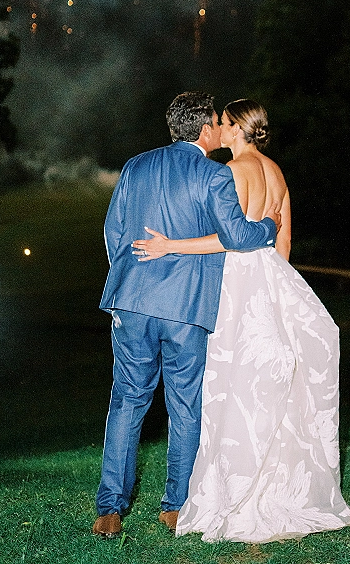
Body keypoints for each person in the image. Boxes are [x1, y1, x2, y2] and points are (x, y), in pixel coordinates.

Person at [132, 99, 350, 543]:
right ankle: (279, 486)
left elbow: (228, 239)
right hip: (272, 279)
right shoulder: (276, 173)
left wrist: (171, 245)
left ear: (236, 128)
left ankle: (233, 493)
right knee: (274, 390)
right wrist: (275, 292)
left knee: (229, 387)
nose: (218, 130)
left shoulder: (232, 172)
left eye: (224, 124)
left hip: (235, 283)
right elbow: (284, 237)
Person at [92, 92, 280, 539]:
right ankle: (175, 506)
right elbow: (236, 235)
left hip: (132, 302)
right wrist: (269, 226)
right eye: (217, 122)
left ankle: (109, 509)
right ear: (204, 128)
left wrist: (127, 278)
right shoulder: (213, 176)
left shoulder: (136, 165)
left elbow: (113, 230)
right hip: (185, 308)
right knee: (184, 404)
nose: (220, 129)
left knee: (127, 402)